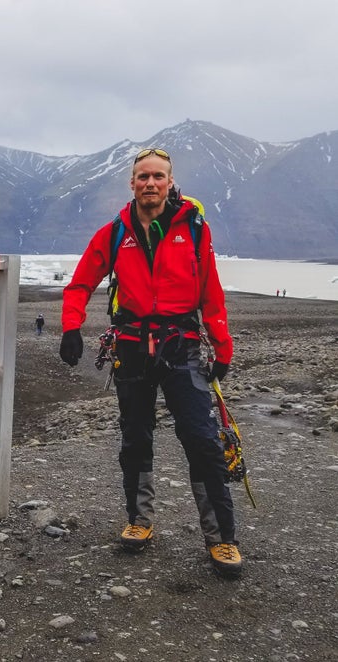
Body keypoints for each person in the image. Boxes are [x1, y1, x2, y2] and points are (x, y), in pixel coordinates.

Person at [59, 147, 242, 577]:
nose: (150, 183)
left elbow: (210, 291)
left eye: (158, 176)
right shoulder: (114, 232)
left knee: (202, 441)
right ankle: (140, 521)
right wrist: (71, 327)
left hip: (181, 348)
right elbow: (81, 281)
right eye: (143, 176)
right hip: (132, 348)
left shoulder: (194, 229)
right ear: (132, 183)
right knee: (135, 439)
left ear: (169, 181)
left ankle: (222, 540)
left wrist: (222, 347)